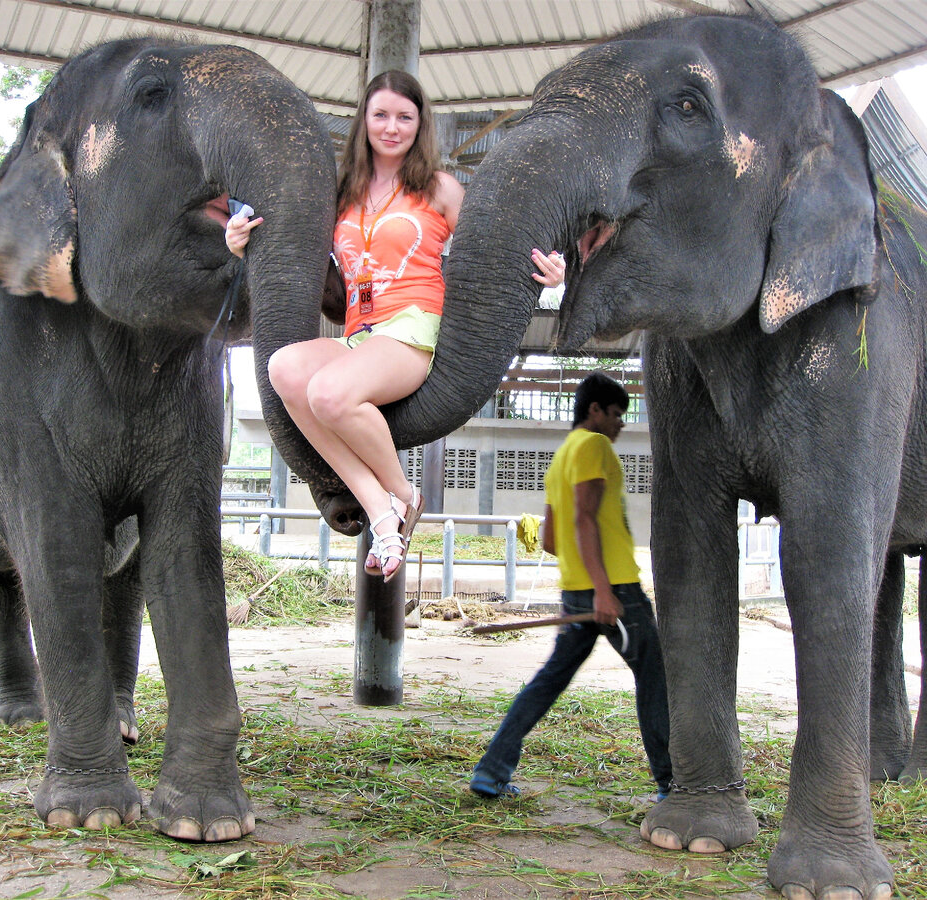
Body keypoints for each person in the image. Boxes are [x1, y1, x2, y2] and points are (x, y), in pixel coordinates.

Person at [225, 69, 564, 582]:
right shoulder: (341, 193)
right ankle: (384, 512)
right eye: (380, 114)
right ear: (364, 120)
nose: (392, 127)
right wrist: (240, 240)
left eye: (405, 117)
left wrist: (553, 276)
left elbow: (495, 248)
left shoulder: (441, 189)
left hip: (413, 327)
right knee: (284, 369)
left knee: (330, 395)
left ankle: (403, 495)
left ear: (420, 124)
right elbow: (289, 243)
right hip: (360, 332)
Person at [469, 373, 672, 801]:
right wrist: (603, 589)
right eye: (616, 413)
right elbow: (583, 518)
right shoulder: (594, 447)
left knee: (547, 683)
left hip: (578, 592)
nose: (620, 424)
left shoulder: (562, 456)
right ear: (594, 410)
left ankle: (491, 772)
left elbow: (550, 539)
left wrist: (584, 583)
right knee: (656, 677)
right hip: (615, 590)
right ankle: (671, 784)